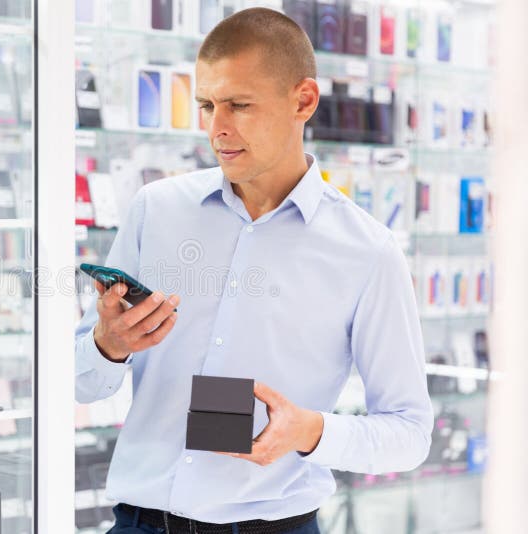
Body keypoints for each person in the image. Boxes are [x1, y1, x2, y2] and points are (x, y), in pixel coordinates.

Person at [75, 7, 433, 534]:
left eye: (240, 105)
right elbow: (81, 386)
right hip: (139, 524)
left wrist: (310, 432)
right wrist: (109, 345)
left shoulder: (367, 252)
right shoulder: (156, 209)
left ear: (303, 101)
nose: (218, 129)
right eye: (207, 106)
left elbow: (409, 432)